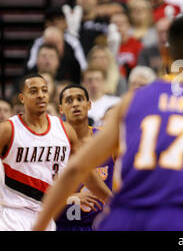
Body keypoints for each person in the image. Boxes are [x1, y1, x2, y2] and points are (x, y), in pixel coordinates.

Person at [33, 14, 183, 231]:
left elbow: (76, 169)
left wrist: (39, 226)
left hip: (122, 219)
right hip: (181, 221)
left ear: (165, 53)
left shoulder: (132, 100)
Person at [0, 74, 111, 231]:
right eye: (33, 91)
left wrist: (113, 201)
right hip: (11, 217)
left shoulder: (64, 131)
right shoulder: (7, 130)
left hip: (46, 217)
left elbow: (83, 172)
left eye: (44, 90)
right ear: (22, 98)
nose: (40, 95)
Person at [55, 85, 115, 231]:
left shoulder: (107, 139)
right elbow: (39, 193)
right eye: (69, 100)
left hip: (101, 224)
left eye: (80, 99)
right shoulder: (52, 142)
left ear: (89, 105)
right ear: (61, 109)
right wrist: (71, 197)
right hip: (62, 225)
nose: (75, 104)